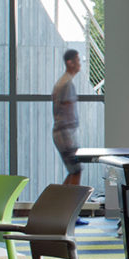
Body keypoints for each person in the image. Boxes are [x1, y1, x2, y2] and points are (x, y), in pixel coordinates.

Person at [52, 48, 83, 188]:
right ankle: (70, 206)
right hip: (65, 133)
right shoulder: (66, 84)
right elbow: (65, 108)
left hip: (64, 132)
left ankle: (61, 204)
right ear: (70, 63)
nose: (80, 64)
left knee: (72, 171)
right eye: (77, 60)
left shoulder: (64, 82)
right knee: (76, 171)